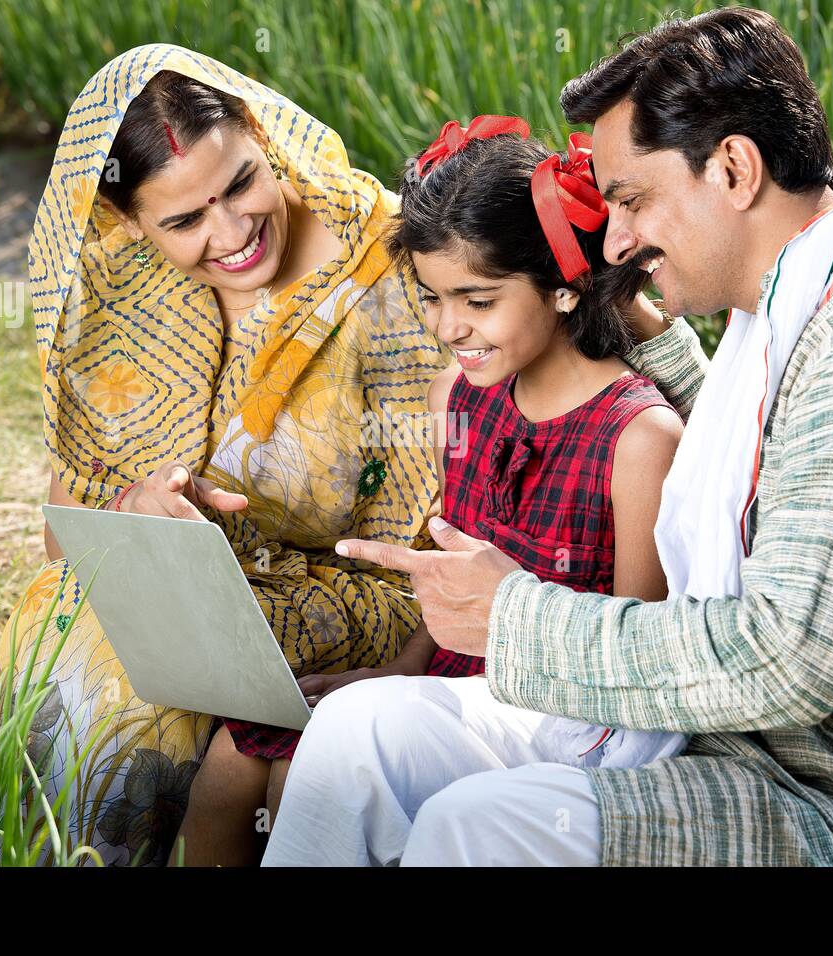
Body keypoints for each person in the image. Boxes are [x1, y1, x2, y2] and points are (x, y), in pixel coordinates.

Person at [263, 7, 833, 867]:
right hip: (748, 761)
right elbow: (768, 469)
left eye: (633, 200)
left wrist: (517, 618)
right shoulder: (811, 299)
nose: (615, 236)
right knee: (360, 737)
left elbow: (783, 658)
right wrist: (636, 327)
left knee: (481, 825)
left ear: (733, 168)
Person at [0, 44, 447, 867]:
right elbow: (64, 538)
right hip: (196, 593)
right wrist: (131, 516)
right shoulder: (124, 296)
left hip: (376, 595)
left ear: (266, 136)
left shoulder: (396, 263)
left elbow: (442, 524)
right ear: (129, 222)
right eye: (185, 221)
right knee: (61, 617)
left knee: (133, 696)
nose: (233, 233)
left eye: (242, 184)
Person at [293, 118, 687, 779]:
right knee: (272, 755)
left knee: (346, 755)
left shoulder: (640, 440)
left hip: (564, 722)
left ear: (565, 286)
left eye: (477, 300)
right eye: (433, 299)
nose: (450, 326)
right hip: (448, 684)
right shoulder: (459, 394)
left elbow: (630, 663)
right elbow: (460, 581)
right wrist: (398, 674)